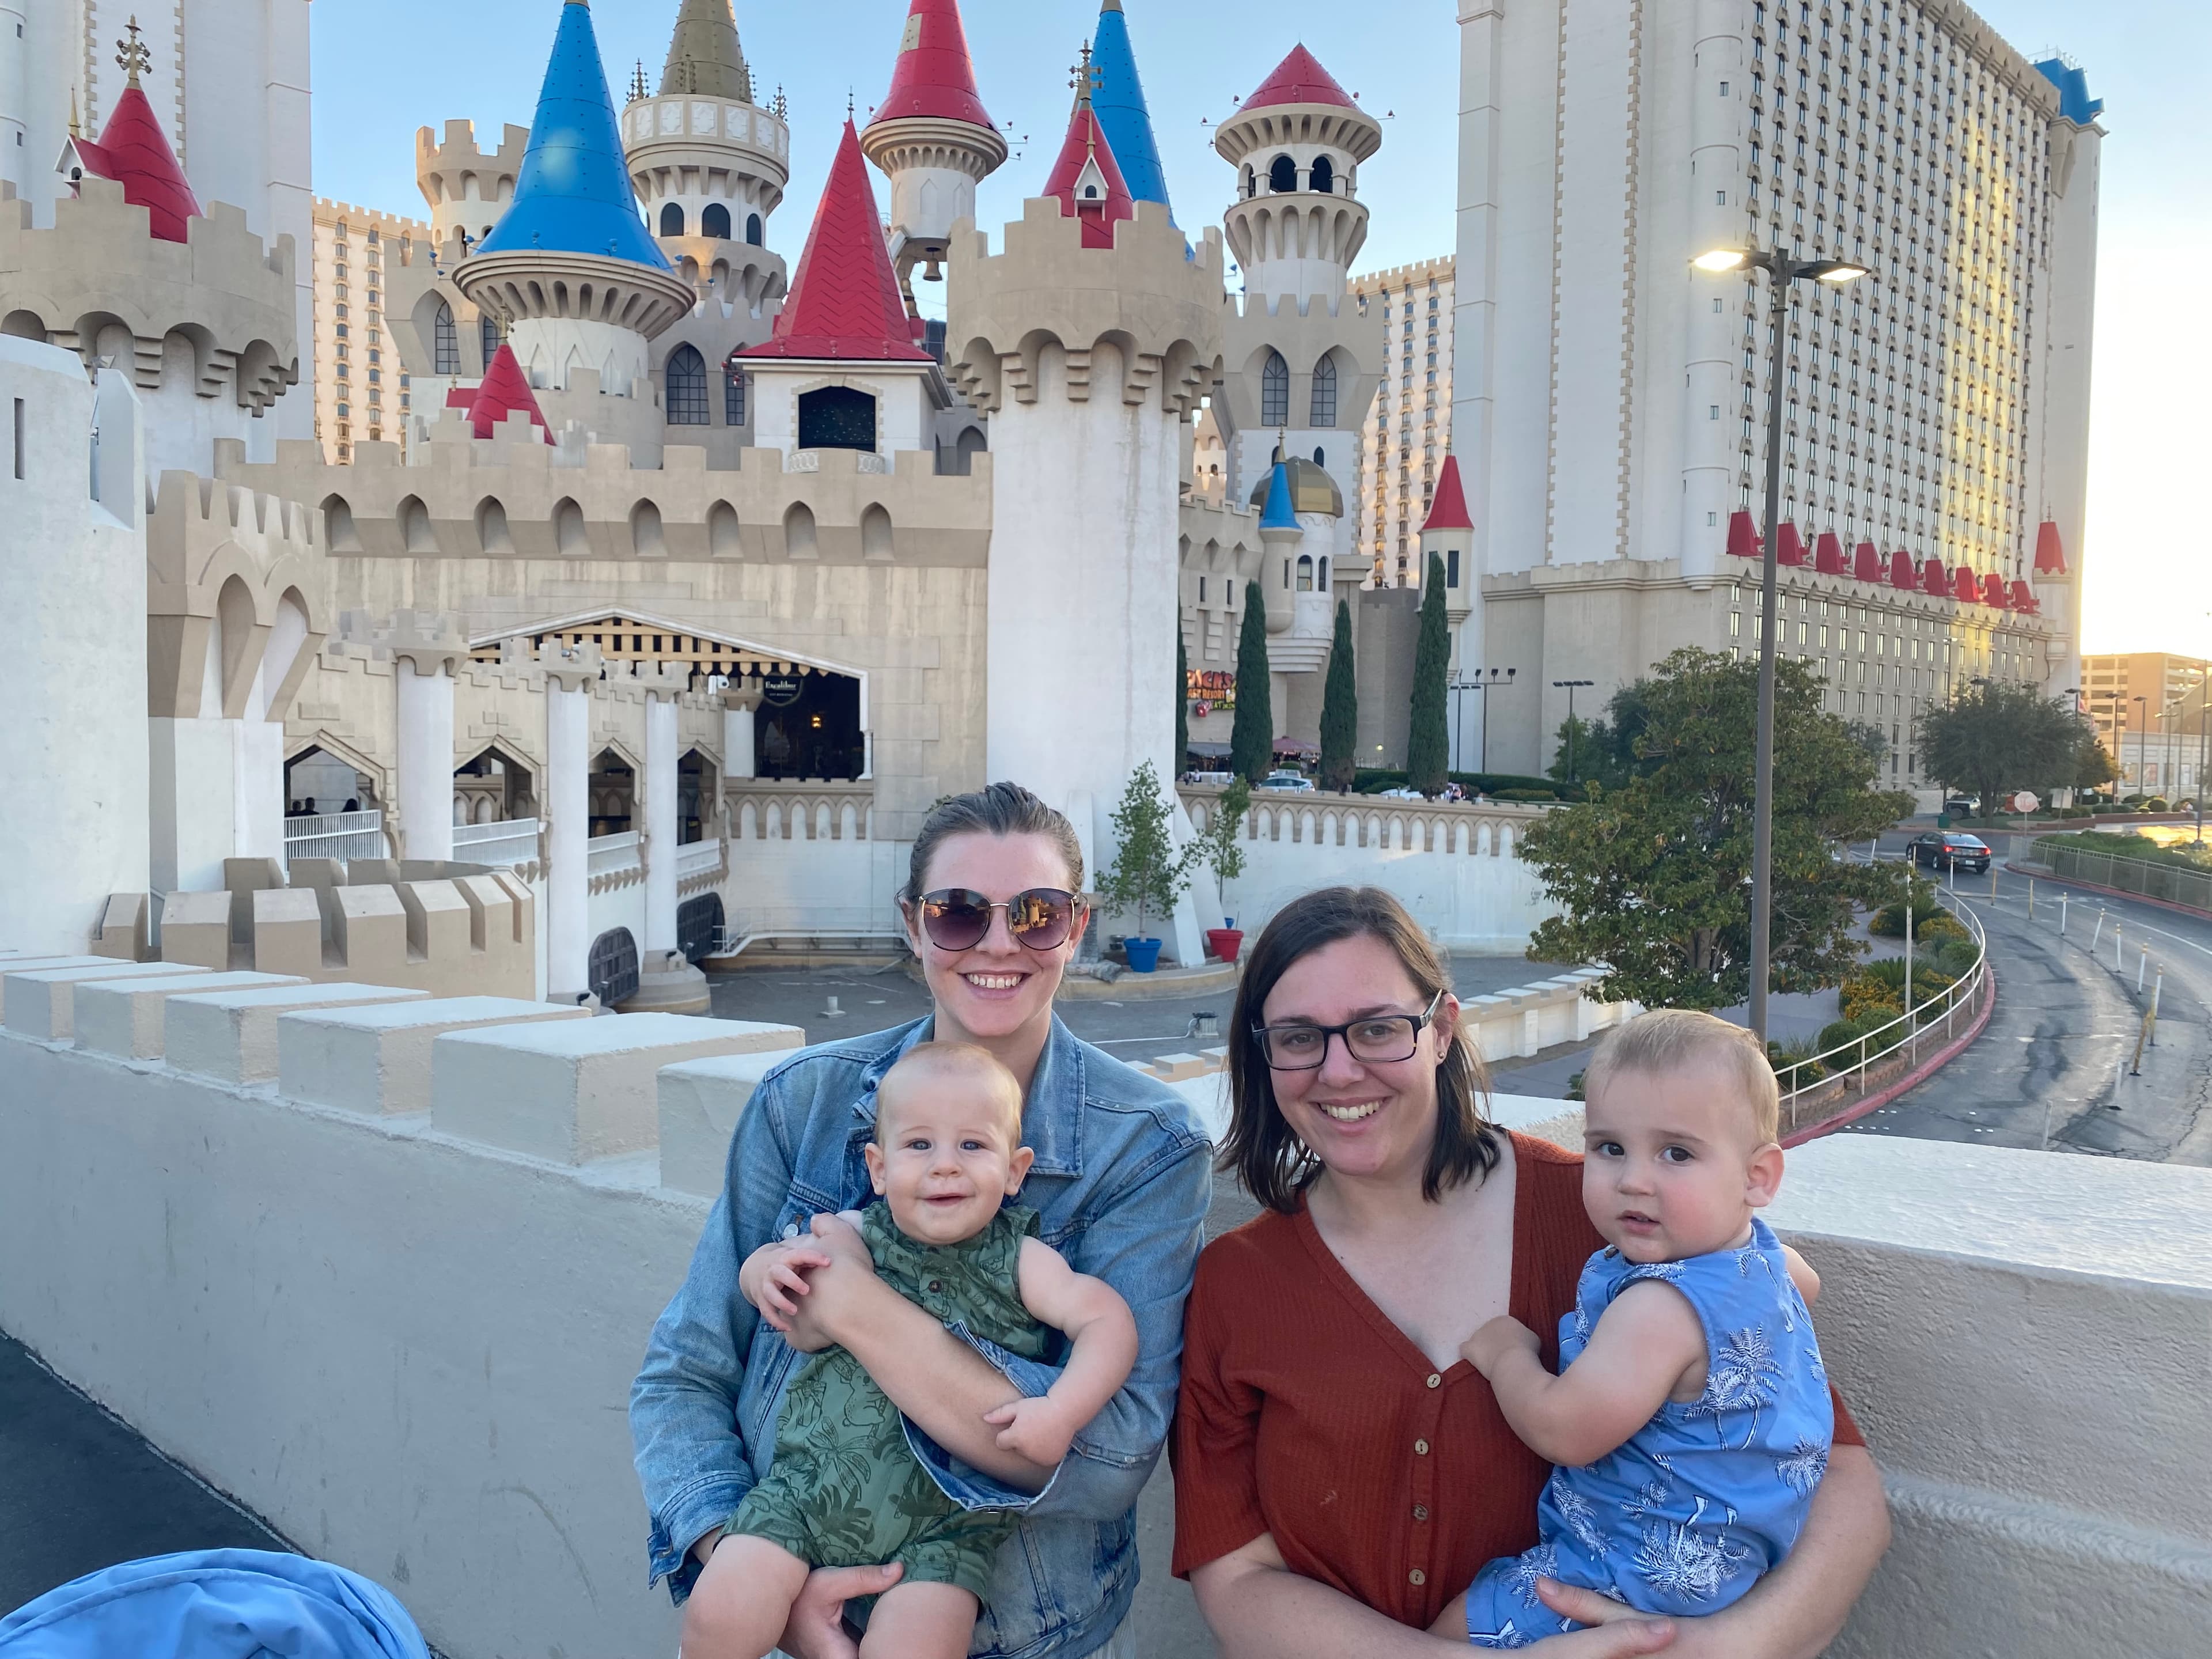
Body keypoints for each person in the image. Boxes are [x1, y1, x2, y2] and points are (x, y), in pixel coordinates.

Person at [1172, 886, 1890, 1658]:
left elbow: (1837, 1478)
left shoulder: (1621, 1224)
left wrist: (1717, 1650)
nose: (1339, 1071)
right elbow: (1235, 1575)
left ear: (1442, 1030)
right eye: (1298, 1037)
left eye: (1378, 1029)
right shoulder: (1238, 1285)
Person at [631, 782, 1211, 1659]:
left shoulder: (1147, 1147)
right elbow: (686, 1370)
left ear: (1077, 927)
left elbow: (1109, 1458)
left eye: (1038, 915)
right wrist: (748, 1566)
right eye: (959, 913)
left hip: (1027, 1636)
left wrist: (854, 1307)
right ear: (914, 924)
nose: (998, 944)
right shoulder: (805, 1102)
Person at [684, 1042, 1139, 1659]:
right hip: (806, 1488)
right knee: (720, 1609)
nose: (944, 1166)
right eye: (919, 1145)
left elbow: (1108, 1321)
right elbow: (769, 1260)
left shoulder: (1022, 1261)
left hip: (945, 1529)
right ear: (878, 1168)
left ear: (1014, 1170)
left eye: (972, 1145)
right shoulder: (854, 1234)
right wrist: (761, 1273)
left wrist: (1062, 1409)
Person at [1452, 1010, 1833, 1647]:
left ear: (1757, 1177)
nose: (1632, 1180)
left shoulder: (1659, 1307)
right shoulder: (1770, 1260)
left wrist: (1506, 1355)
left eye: (1676, 1153)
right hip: (1726, 1563)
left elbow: (1563, 1429)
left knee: (1449, 1634)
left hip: (1625, 1575)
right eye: (1609, 1148)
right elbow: (1808, 1286)